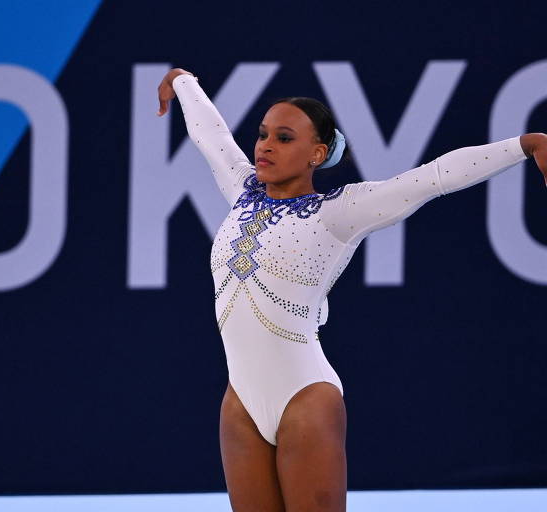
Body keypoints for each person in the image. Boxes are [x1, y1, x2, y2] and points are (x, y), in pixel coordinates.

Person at [156, 67, 547, 512]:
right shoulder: (242, 190)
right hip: (239, 405)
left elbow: (434, 177)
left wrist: (526, 145)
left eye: (284, 138)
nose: (265, 145)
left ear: (316, 153)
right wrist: (183, 81)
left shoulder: (340, 212)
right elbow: (212, 135)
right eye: (263, 134)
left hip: (303, 398)